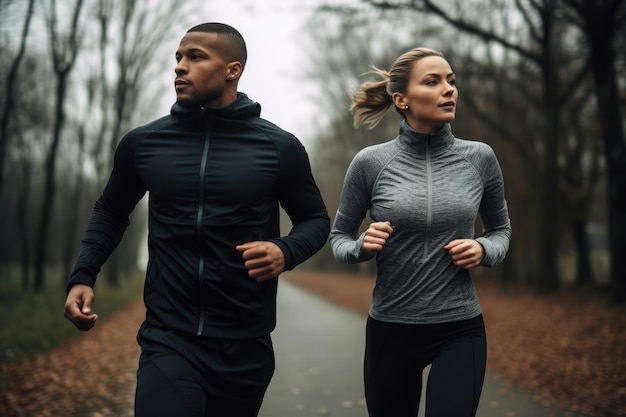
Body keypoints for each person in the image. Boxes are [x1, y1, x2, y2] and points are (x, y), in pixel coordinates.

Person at [63, 22, 330, 417]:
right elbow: (111, 210)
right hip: (169, 338)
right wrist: (83, 275)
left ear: (232, 70)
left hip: (245, 344)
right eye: (178, 58)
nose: (179, 67)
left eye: (195, 57)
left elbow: (315, 220)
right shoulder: (145, 144)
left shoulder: (278, 147)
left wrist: (284, 250)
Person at [329, 47, 511, 417]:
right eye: (433, 81)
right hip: (391, 329)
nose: (449, 90)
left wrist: (483, 250)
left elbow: (501, 230)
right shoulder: (370, 163)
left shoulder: (480, 158)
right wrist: (361, 247)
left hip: (460, 328)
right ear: (402, 99)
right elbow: (339, 238)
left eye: (451, 81)